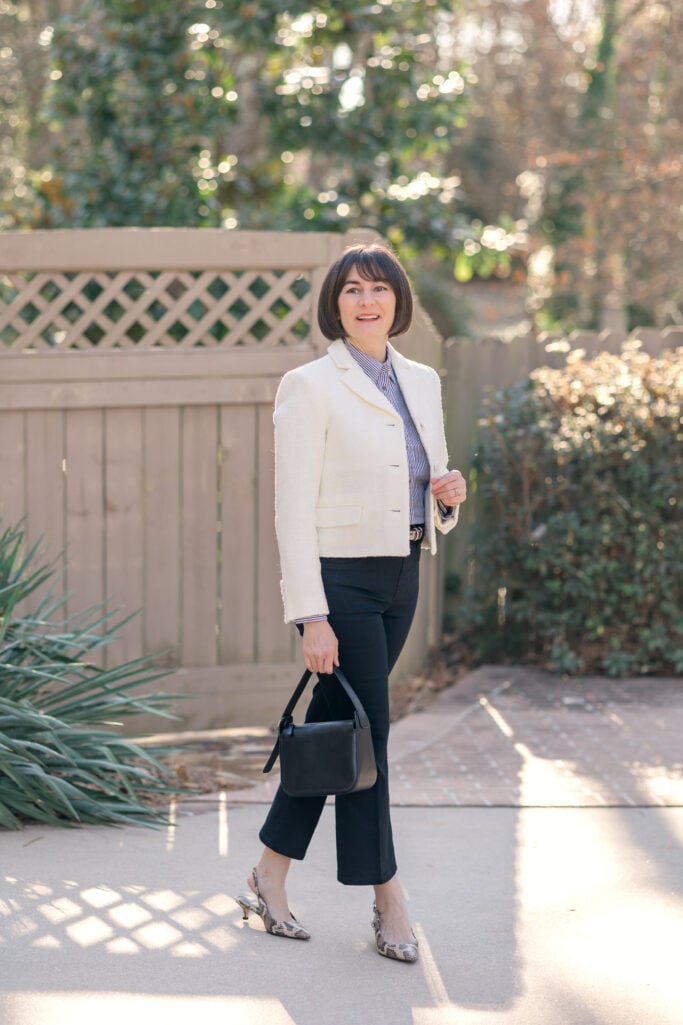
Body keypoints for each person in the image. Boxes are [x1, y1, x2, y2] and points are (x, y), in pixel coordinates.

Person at [234, 242, 467, 963]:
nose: (366, 302)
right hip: (341, 582)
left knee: (341, 730)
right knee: (372, 736)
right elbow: (290, 508)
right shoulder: (309, 384)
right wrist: (311, 614)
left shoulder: (421, 379)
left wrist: (449, 496)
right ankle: (387, 900)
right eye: (351, 291)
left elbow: (424, 474)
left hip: (402, 572)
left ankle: (268, 875)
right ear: (334, 305)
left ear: (398, 299)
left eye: (378, 289)